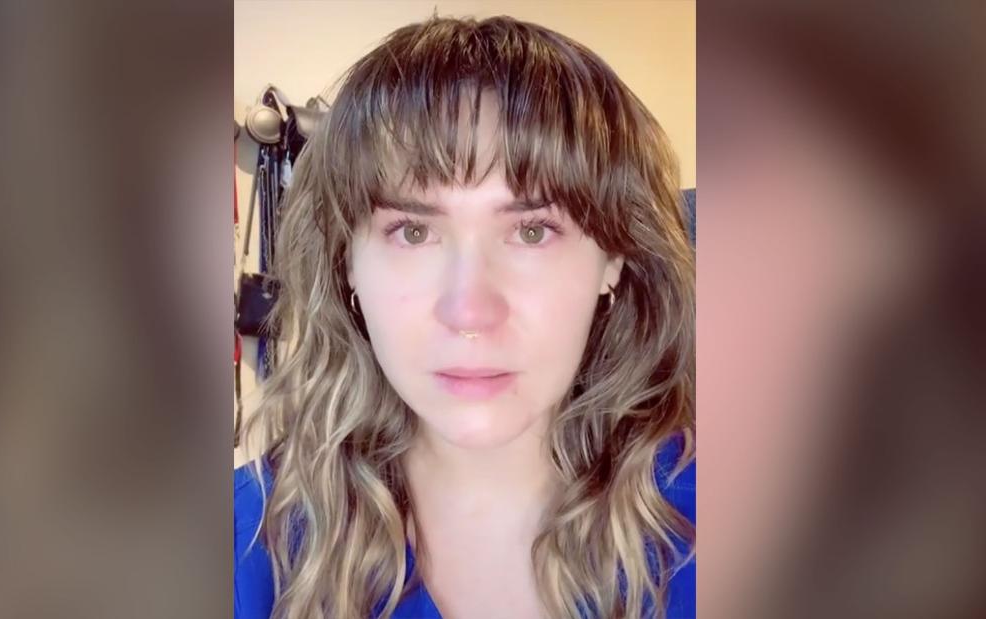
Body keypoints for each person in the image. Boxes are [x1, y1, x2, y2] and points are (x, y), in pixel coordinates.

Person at [235, 15, 695, 619]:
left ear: (613, 260)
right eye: (412, 231)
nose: (470, 312)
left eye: (533, 231)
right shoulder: (243, 541)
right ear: (347, 264)